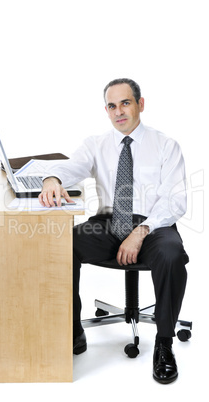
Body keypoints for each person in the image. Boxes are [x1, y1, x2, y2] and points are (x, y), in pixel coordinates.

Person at [38, 78, 189, 384]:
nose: (119, 111)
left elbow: (175, 200)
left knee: (172, 256)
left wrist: (141, 230)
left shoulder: (166, 146)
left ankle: (164, 343)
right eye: (112, 105)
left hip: (153, 224)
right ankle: (72, 332)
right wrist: (52, 178)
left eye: (125, 103)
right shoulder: (96, 144)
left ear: (140, 104)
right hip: (109, 223)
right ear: (106, 110)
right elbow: (72, 167)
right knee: (61, 245)